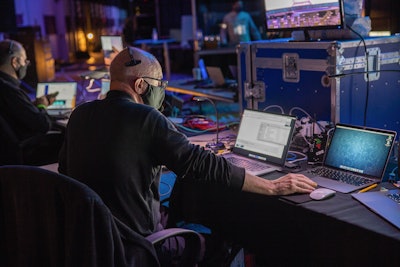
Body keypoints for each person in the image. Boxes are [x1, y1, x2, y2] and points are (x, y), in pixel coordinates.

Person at [58, 46, 317, 264]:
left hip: (92, 241)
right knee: (228, 239)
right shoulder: (147, 118)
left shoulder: (80, 115)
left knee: (179, 206)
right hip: (139, 246)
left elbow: (65, 173)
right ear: (140, 85)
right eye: (159, 84)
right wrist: (271, 187)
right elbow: (204, 165)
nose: (162, 91)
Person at [0, 39, 63, 166]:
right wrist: (41, 105)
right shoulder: (9, 89)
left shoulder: (4, 86)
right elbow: (42, 125)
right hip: (23, 152)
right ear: (15, 62)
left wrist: (32, 106)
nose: (26, 64)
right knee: (71, 138)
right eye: (24, 60)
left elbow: (14, 112)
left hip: (7, 151)